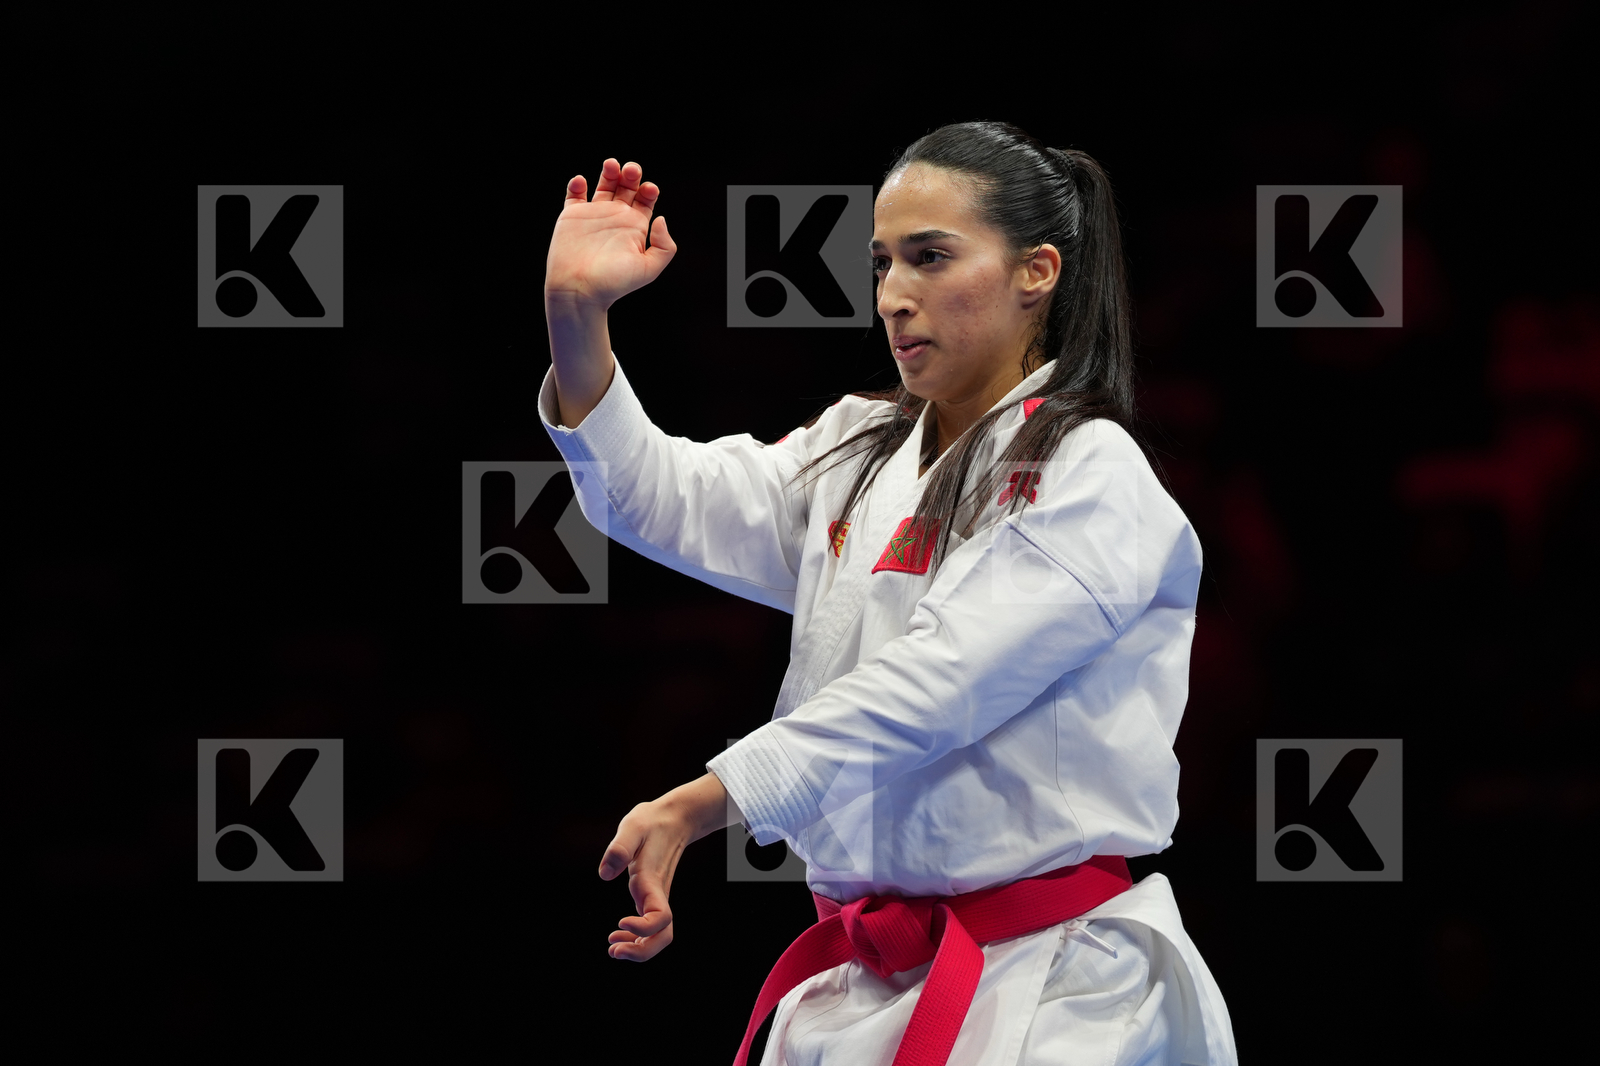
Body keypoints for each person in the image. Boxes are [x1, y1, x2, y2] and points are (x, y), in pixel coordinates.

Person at [540, 121, 1237, 1066]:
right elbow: (653, 498)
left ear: (1037, 271)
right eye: (882, 265)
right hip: (859, 987)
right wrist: (576, 315)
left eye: (931, 257)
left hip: (1060, 995)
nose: (894, 297)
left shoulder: (1090, 474)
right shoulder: (861, 449)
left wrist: (708, 799)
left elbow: (942, 682)